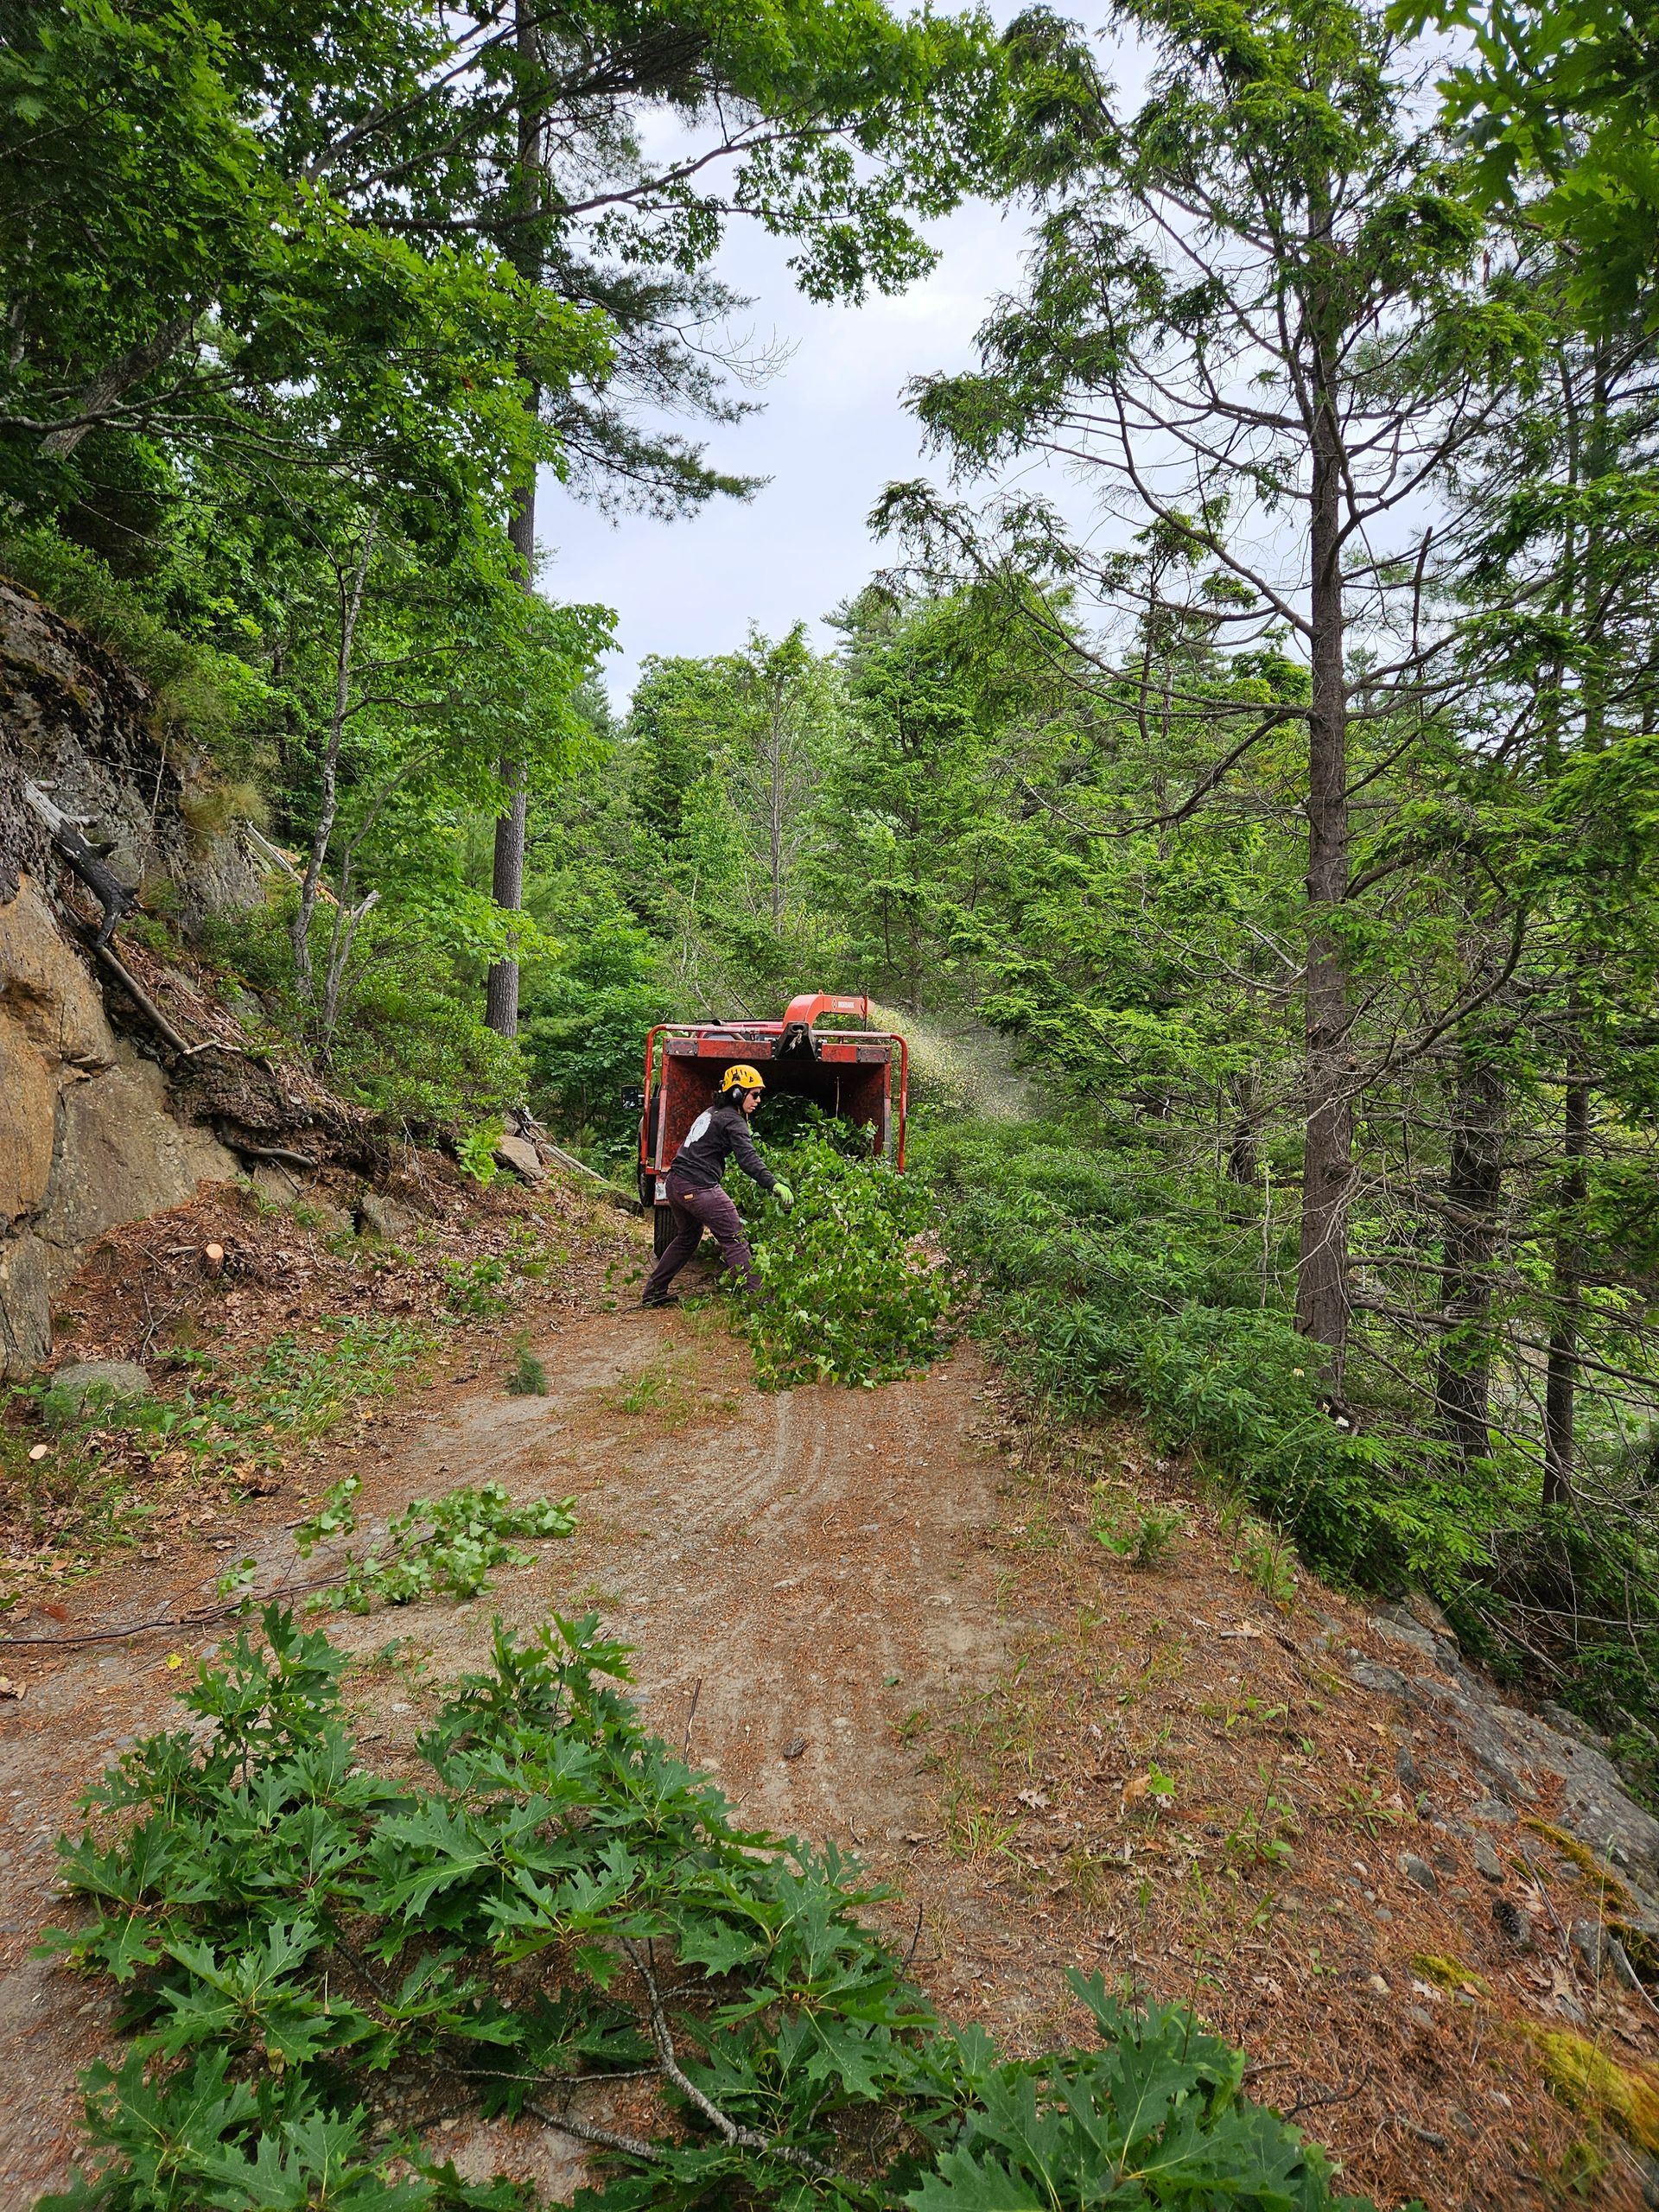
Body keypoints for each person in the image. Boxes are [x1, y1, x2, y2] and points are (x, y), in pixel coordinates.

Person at [639, 1064, 794, 1308]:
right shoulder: (733, 1121)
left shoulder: (711, 1112)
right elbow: (749, 1160)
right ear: (736, 1093)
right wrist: (774, 1184)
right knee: (734, 1237)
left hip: (676, 1183)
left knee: (688, 1237)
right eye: (754, 1094)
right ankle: (759, 1300)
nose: (758, 1100)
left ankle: (654, 1292)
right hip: (698, 1187)